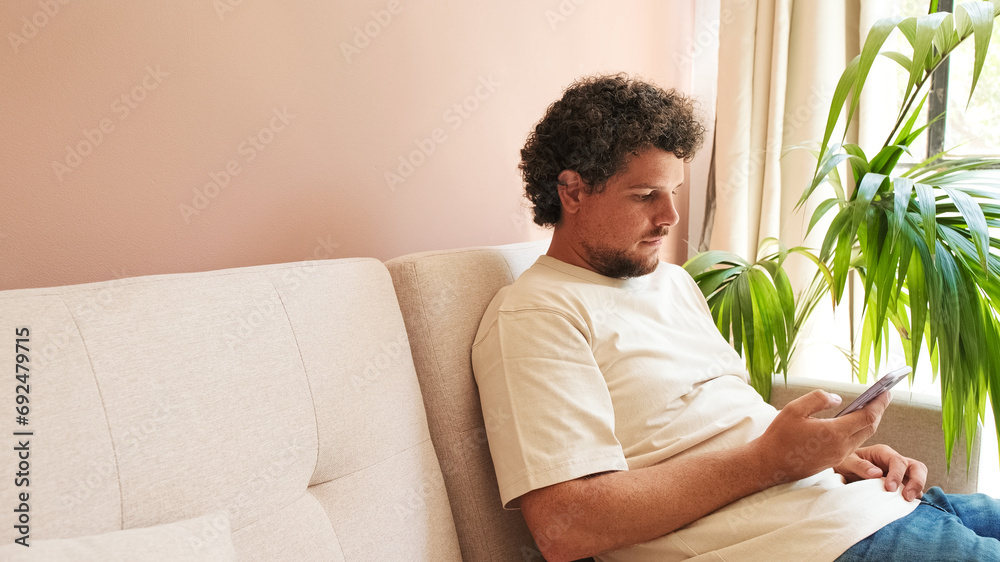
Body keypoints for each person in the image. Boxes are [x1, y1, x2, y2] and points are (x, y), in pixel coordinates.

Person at [471, 73, 1000, 561]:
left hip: (865, 502)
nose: (669, 217)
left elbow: (724, 422)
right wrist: (773, 461)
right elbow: (567, 526)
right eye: (644, 196)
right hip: (814, 544)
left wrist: (831, 455)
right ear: (572, 191)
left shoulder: (671, 281)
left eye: (673, 192)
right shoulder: (536, 315)